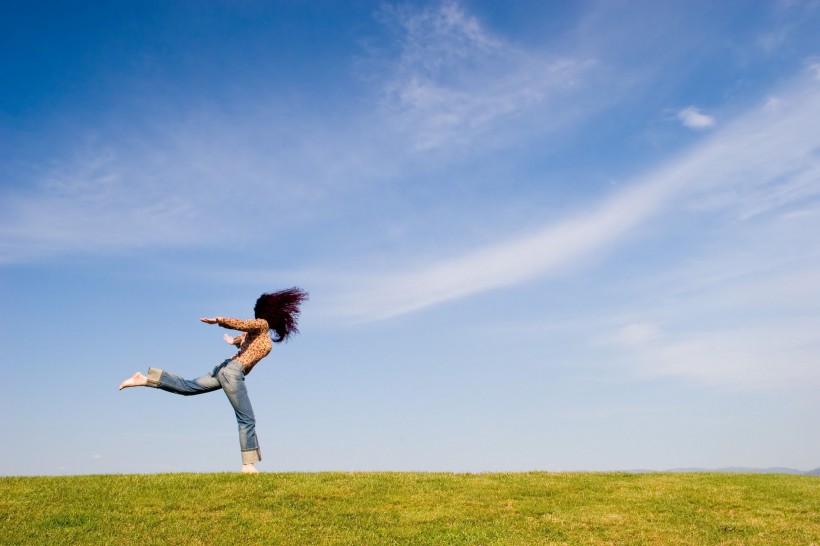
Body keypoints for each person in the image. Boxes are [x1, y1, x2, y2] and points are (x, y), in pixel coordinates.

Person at [119, 287, 308, 474]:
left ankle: (145, 379)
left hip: (224, 370)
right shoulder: (262, 325)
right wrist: (221, 321)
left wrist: (232, 341)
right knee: (246, 419)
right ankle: (248, 466)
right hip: (233, 373)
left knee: (187, 387)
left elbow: (242, 336)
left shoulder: (255, 334)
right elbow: (243, 324)